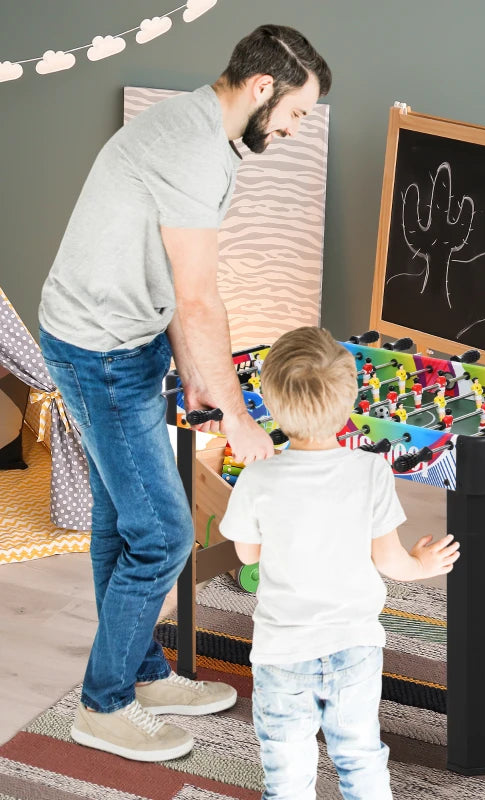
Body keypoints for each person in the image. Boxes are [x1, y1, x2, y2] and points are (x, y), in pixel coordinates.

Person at [37, 25, 332, 762]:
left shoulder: (199, 129)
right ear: (263, 89)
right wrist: (235, 413)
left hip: (121, 338)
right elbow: (199, 300)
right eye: (297, 112)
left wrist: (197, 373)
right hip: (97, 349)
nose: (296, 129)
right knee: (166, 534)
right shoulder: (195, 149)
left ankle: (139, 675)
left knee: (124, 520)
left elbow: (171, 278)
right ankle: (103, 706)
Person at [219, 327, 460, 800]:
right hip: (355, 647)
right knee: (359, 754)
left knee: (287, 769)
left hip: (282, 652)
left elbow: (248, 556)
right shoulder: (371, 469)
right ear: (350, 403)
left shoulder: (257, 477)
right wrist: (424, 563)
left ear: (269, 402)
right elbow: (390, 561)